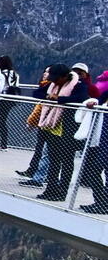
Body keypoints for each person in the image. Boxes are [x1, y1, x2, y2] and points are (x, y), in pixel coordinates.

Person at [34, 63, 89, 202]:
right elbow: (37, 92)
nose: (53, 81)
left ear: (65, 77)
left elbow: (81, 98)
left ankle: (61, 192)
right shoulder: (53, 85)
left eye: (56, 78)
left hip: (68, 129)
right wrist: (49, 96)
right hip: (53, 128)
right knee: (54, 160)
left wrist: (59, 99)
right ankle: (51, 189)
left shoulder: (78, 85)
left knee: (66, 161)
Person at [17, 65, 53, 185]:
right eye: (45, 71)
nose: (45, 74)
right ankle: (34, 171)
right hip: (44, 122)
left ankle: (39, 176)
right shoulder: (45, 86)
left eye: (48, 72)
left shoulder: (50, 87)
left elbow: (39, 107)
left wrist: (31, 121)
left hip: (47, 124)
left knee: (43, 151)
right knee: (41, 150)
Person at [0, 56, 20, 150]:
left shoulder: (2, 74)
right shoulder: (15, 74)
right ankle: (3, 144)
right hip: (10, 100)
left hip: (0, 99)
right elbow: (16, 86)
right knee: (2, 121)